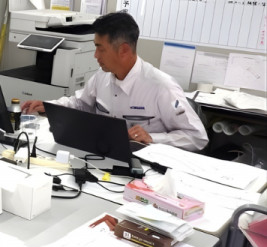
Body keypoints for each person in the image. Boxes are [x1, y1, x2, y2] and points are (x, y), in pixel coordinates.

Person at [21, 11, 208, 151]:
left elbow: (197, 137)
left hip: (143, 167)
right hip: (103, 155)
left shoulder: (162, 87)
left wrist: (153, 138)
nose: (95, 55)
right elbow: (80, 104)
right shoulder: (102, 76)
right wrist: (49, 106)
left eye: (100, 49)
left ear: (124, 50)